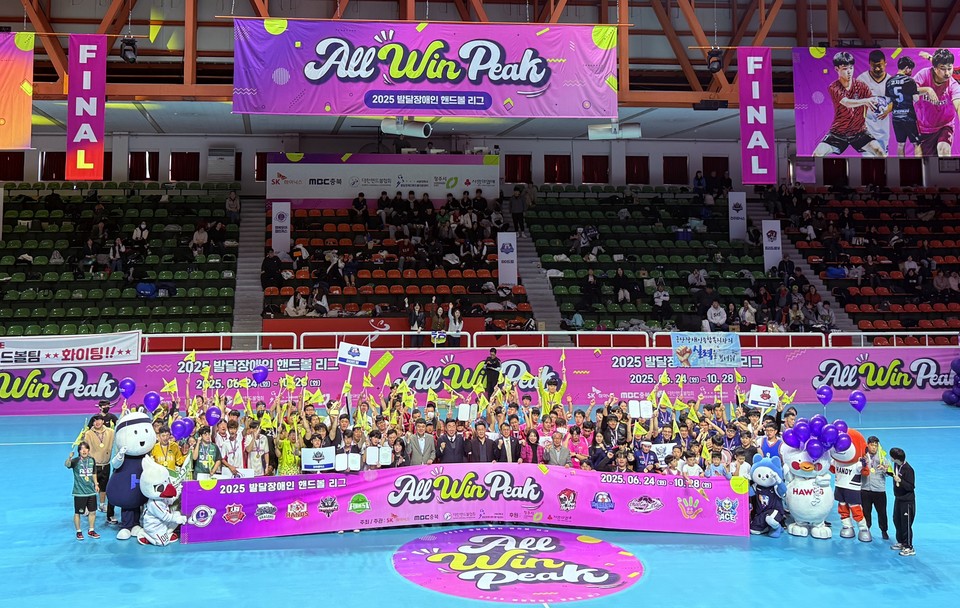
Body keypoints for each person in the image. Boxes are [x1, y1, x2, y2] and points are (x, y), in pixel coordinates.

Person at [813, 51, 886, 157]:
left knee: (880, 151)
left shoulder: (862, 86)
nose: (849, 72)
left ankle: (886, 169)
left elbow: (872, 101)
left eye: (851, 68)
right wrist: (865, 101)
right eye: (845, 69)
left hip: (859, 132)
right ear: (837, 69)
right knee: (817, 154)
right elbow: (846, 102)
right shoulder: (834, 87)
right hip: (838, 133)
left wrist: (878, 106)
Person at [882, 56, 939, 157]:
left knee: (900, 144)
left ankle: (900, 165)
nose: (911, 72)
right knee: (916, 143)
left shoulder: (889, 81)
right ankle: (919, 165)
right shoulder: (909, 80)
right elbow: (916, 98)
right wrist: (926, 91)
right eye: (910, 69)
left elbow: (888, 100)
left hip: (896, 118)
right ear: (906, 68)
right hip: (909, 117)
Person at [914, 49, 960, 157]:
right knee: (924, 160)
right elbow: (909, 89)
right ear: (935, 68)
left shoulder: (953, 84)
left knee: (943, 149)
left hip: (945, 125)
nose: (947, 73)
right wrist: (927, 90)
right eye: (943, 69)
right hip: (924, 128)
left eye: (950, 68)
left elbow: (958, 105)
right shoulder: (924, 74)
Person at [856, 49, 893, 154]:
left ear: (885, 63)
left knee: (883, 157)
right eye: (874, 66)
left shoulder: (890, 81)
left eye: (879, 66)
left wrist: (888, 110)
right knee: (868, 157)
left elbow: (896, 101)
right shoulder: (862, 80)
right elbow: (855, 102)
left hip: (883, 128)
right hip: (867, 127)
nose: (877, 69)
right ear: (869, 64)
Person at [82, 415, 116, 521]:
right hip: (93, 465)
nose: (97, 422)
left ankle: (102, 504)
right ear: (92, 423)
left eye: (99, 420)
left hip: (106, 464)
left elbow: (120, 428)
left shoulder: (110, 432)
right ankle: (87, 506)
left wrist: (123, 412)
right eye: (95, 421)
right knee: (90, 486)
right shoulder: (88, 434)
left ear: (103, 421)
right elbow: (84, 448)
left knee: (104, 486)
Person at [66, 442, 100, 540]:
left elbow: (94, 473)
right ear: (79, 451)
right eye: (81, 449)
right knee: (78, 513)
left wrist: (96, 484)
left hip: (91, 491)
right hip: (79, 492)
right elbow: (67, 465)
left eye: (86, 448)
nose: (84, 451)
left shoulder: (92, 460)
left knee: (92, 512)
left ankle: (91, 530)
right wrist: (69, 457)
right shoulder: (75, 461)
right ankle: (79, 531)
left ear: (88, 450)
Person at [861, 435, 890, 540]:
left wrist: (884, 468)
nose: (874, 447)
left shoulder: (882, 457)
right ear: (868, 445)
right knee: (866, 511)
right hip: (865, 489)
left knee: (882, 512)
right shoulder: (862, 456)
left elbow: (889, 472)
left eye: (876, 445)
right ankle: (866, 529)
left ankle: (884, 530)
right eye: (872, 445)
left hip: (879, 490)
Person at [889, 447, 916, 556]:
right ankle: (901, 542)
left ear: (896, 458)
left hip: (907, 501)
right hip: (898, 499)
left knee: (906, 524)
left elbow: (911, 487)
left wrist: (900, 481)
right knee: (897, 520)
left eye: (891, 457)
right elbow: (895, 474)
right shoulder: (897, 465)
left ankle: (909, 546)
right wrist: (886, 470)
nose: (890, 458)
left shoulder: (908, 470)